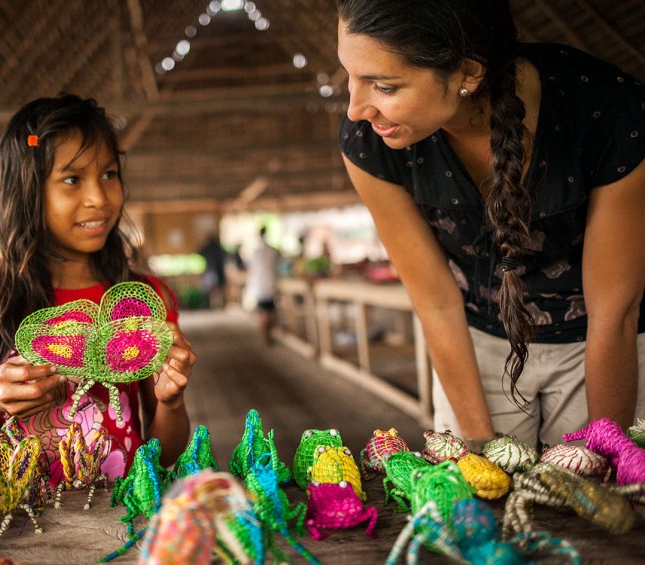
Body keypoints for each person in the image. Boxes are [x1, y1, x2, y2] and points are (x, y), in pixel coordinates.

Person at [336, 0, 645, 450]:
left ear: (467, 72)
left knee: (598, 482)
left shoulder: (608, 114)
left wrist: (605, 455)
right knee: (477, 485)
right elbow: (436, 303)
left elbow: (614, 312)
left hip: (602, 346)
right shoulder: (369, 143)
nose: (354, 109)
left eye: (383, 86)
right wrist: (480, 446)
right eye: (350, 76)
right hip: (473, 342)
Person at [0, 94, 195, 484]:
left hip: (121, 510)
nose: (99, 198)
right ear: (27, 189)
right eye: (72, 179)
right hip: (12, 514)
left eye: (109, 174)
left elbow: (165, 453)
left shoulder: (141, 298)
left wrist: (171, 401)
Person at [246, 226, 281, 346]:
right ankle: (267, 336)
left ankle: (266, 336)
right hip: (269, 285)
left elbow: (251, 270)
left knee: (263, 312)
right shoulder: (273, 251)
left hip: (260, 286)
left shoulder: (256, 252)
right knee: (268, 312)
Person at [198, 231, 227, 309]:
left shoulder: (208, 247)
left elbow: (200, 252)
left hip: (211, 270)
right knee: (217, 289)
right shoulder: (218, 247)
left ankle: (210, 304)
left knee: (210, 288)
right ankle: (218, 304)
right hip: (217, 271)